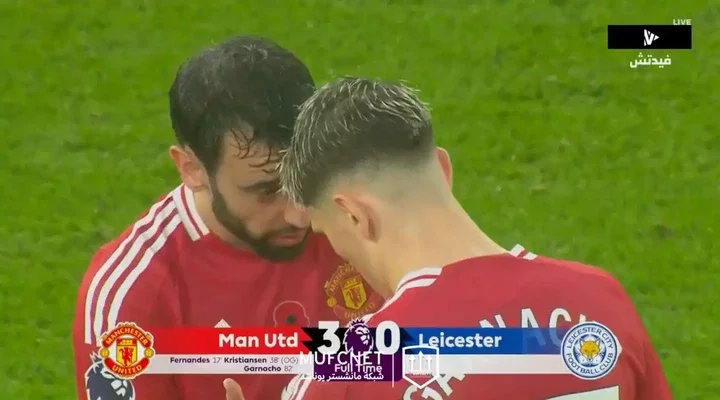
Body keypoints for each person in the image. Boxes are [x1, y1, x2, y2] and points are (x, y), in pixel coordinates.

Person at [225, 77, 672, 399]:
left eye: (331, 233)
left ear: (355, 215)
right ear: (442, 168)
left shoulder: (346, 372)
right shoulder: (599, 300)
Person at [72, 39, 383, 400]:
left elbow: (436, 362)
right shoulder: (131, 297)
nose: (300, 215)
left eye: (303, 176)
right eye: (266, 191)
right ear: (192, 169)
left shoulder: (364, 217)